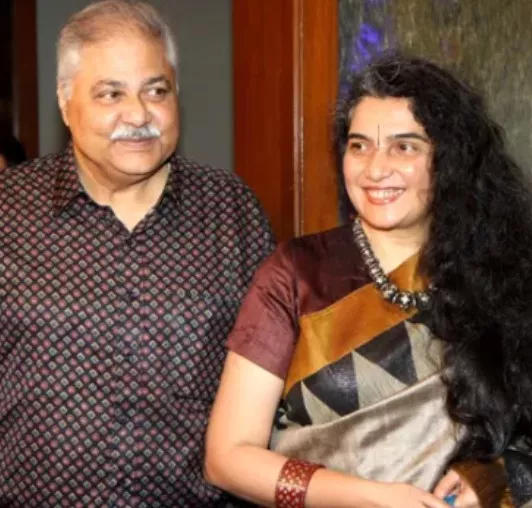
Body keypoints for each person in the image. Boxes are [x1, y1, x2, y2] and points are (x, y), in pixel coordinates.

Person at [205, 53, 532, 507]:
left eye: (404, 147)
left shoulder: (506, 273)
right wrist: (369, 498)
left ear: (451, 159)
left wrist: (493, 476)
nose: (375, 169)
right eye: (359, 146)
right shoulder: (297, 274)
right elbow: (227, 458)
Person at [0, 1, 273, 506]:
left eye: (156, 91)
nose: (139, 114)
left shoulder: (231, 211)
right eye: (111, 93)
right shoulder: (9, 210)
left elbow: (278, 381)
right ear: (65, 101)